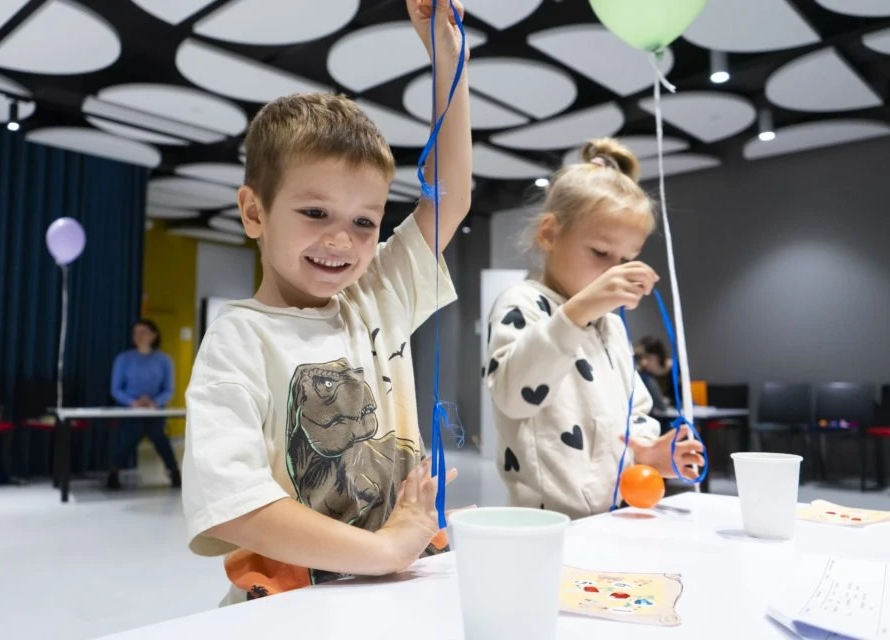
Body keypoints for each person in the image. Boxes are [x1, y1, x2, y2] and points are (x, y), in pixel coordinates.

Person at [181, 0, 472, 606]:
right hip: (293, 607)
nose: (342, 241)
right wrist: (384, 550)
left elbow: (452, 195)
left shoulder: (374, 299)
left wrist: (447, 54)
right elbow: (234, 504)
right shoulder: (239, 340)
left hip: (394, 591)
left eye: (365, 222)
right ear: (254, 212)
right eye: (315, 212)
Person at [483, 138, 704, 520]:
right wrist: (577, 312)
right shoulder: (522, 302)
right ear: (550, 234)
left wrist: (647, 453)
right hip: (546, 523)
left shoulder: (611, 326)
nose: (614, 271)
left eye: (626, 259)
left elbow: (632, 411)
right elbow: (515, 395)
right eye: (600, 253)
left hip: (611, 517)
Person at [108, 319, 181, 490]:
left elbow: (168, 390)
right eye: (136, 333)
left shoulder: (164, 360)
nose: (139, 336)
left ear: (153, 335)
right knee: (130, 435)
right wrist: (133, 402)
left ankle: (174, 471)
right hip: (129, 410)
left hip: (154, 410)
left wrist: (154, 403)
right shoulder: (123, 359)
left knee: (158, 435)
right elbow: (116, 389)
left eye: (143, 332)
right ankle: (114, 473)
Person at [636, 335, 675, 410]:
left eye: (647, 357)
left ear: (657, 356)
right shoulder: (644, 374)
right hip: (659, 411)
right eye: (641, 358)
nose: (643, 362)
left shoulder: (674, 369)